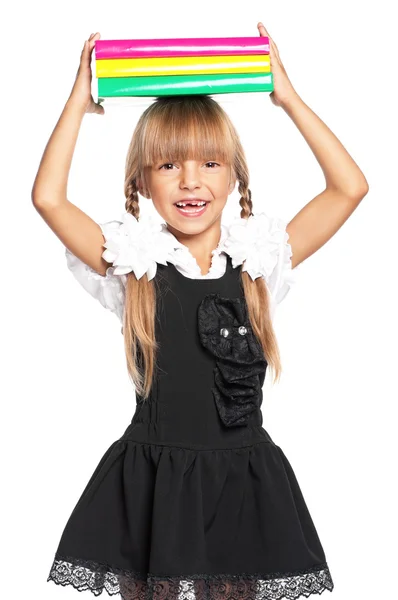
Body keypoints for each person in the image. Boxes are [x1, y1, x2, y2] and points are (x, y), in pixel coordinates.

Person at [32, 25, 368, 600]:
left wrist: (286, 97)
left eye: (210, 163)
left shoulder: (259, 264)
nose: (191, 181)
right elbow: (49, 199)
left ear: (235, 174)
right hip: (157, 486)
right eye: (167, 166)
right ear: (142, 180)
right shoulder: (133, 267)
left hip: (243, 483)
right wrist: (77, 104)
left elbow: (349, 188)